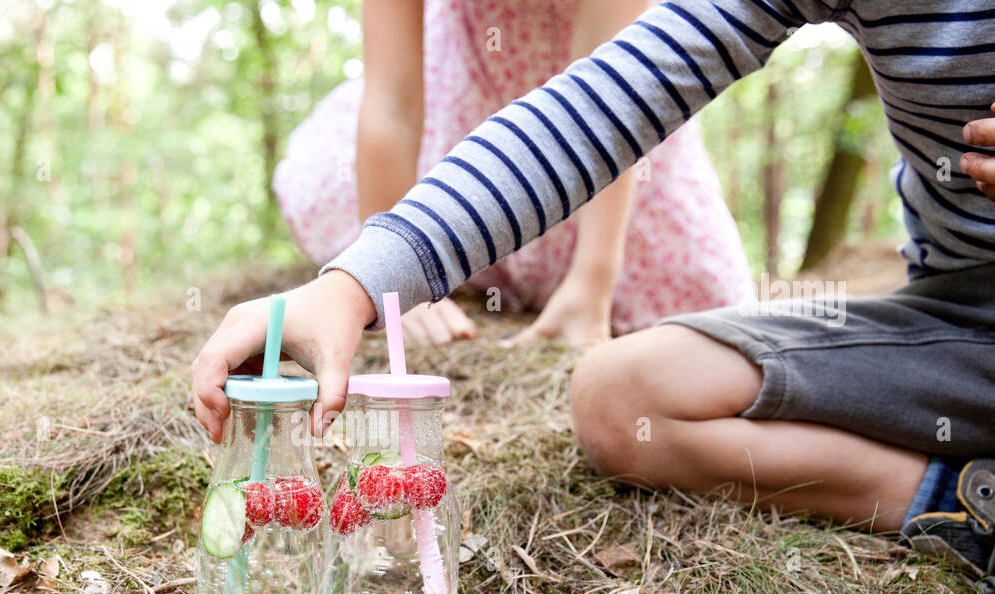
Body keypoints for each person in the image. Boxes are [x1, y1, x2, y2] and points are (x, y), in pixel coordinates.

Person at [193, 0, 995, 593]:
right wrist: (357, 283)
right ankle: (960, 504)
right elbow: (599, 106)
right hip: (960, 321)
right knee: (621, 395)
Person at [273, 0, 751, 348]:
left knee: (712, 305)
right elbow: (392, 102)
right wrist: (392, 279)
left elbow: (616, 105)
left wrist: (594, 279)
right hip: (469, 121)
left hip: (622, 152)